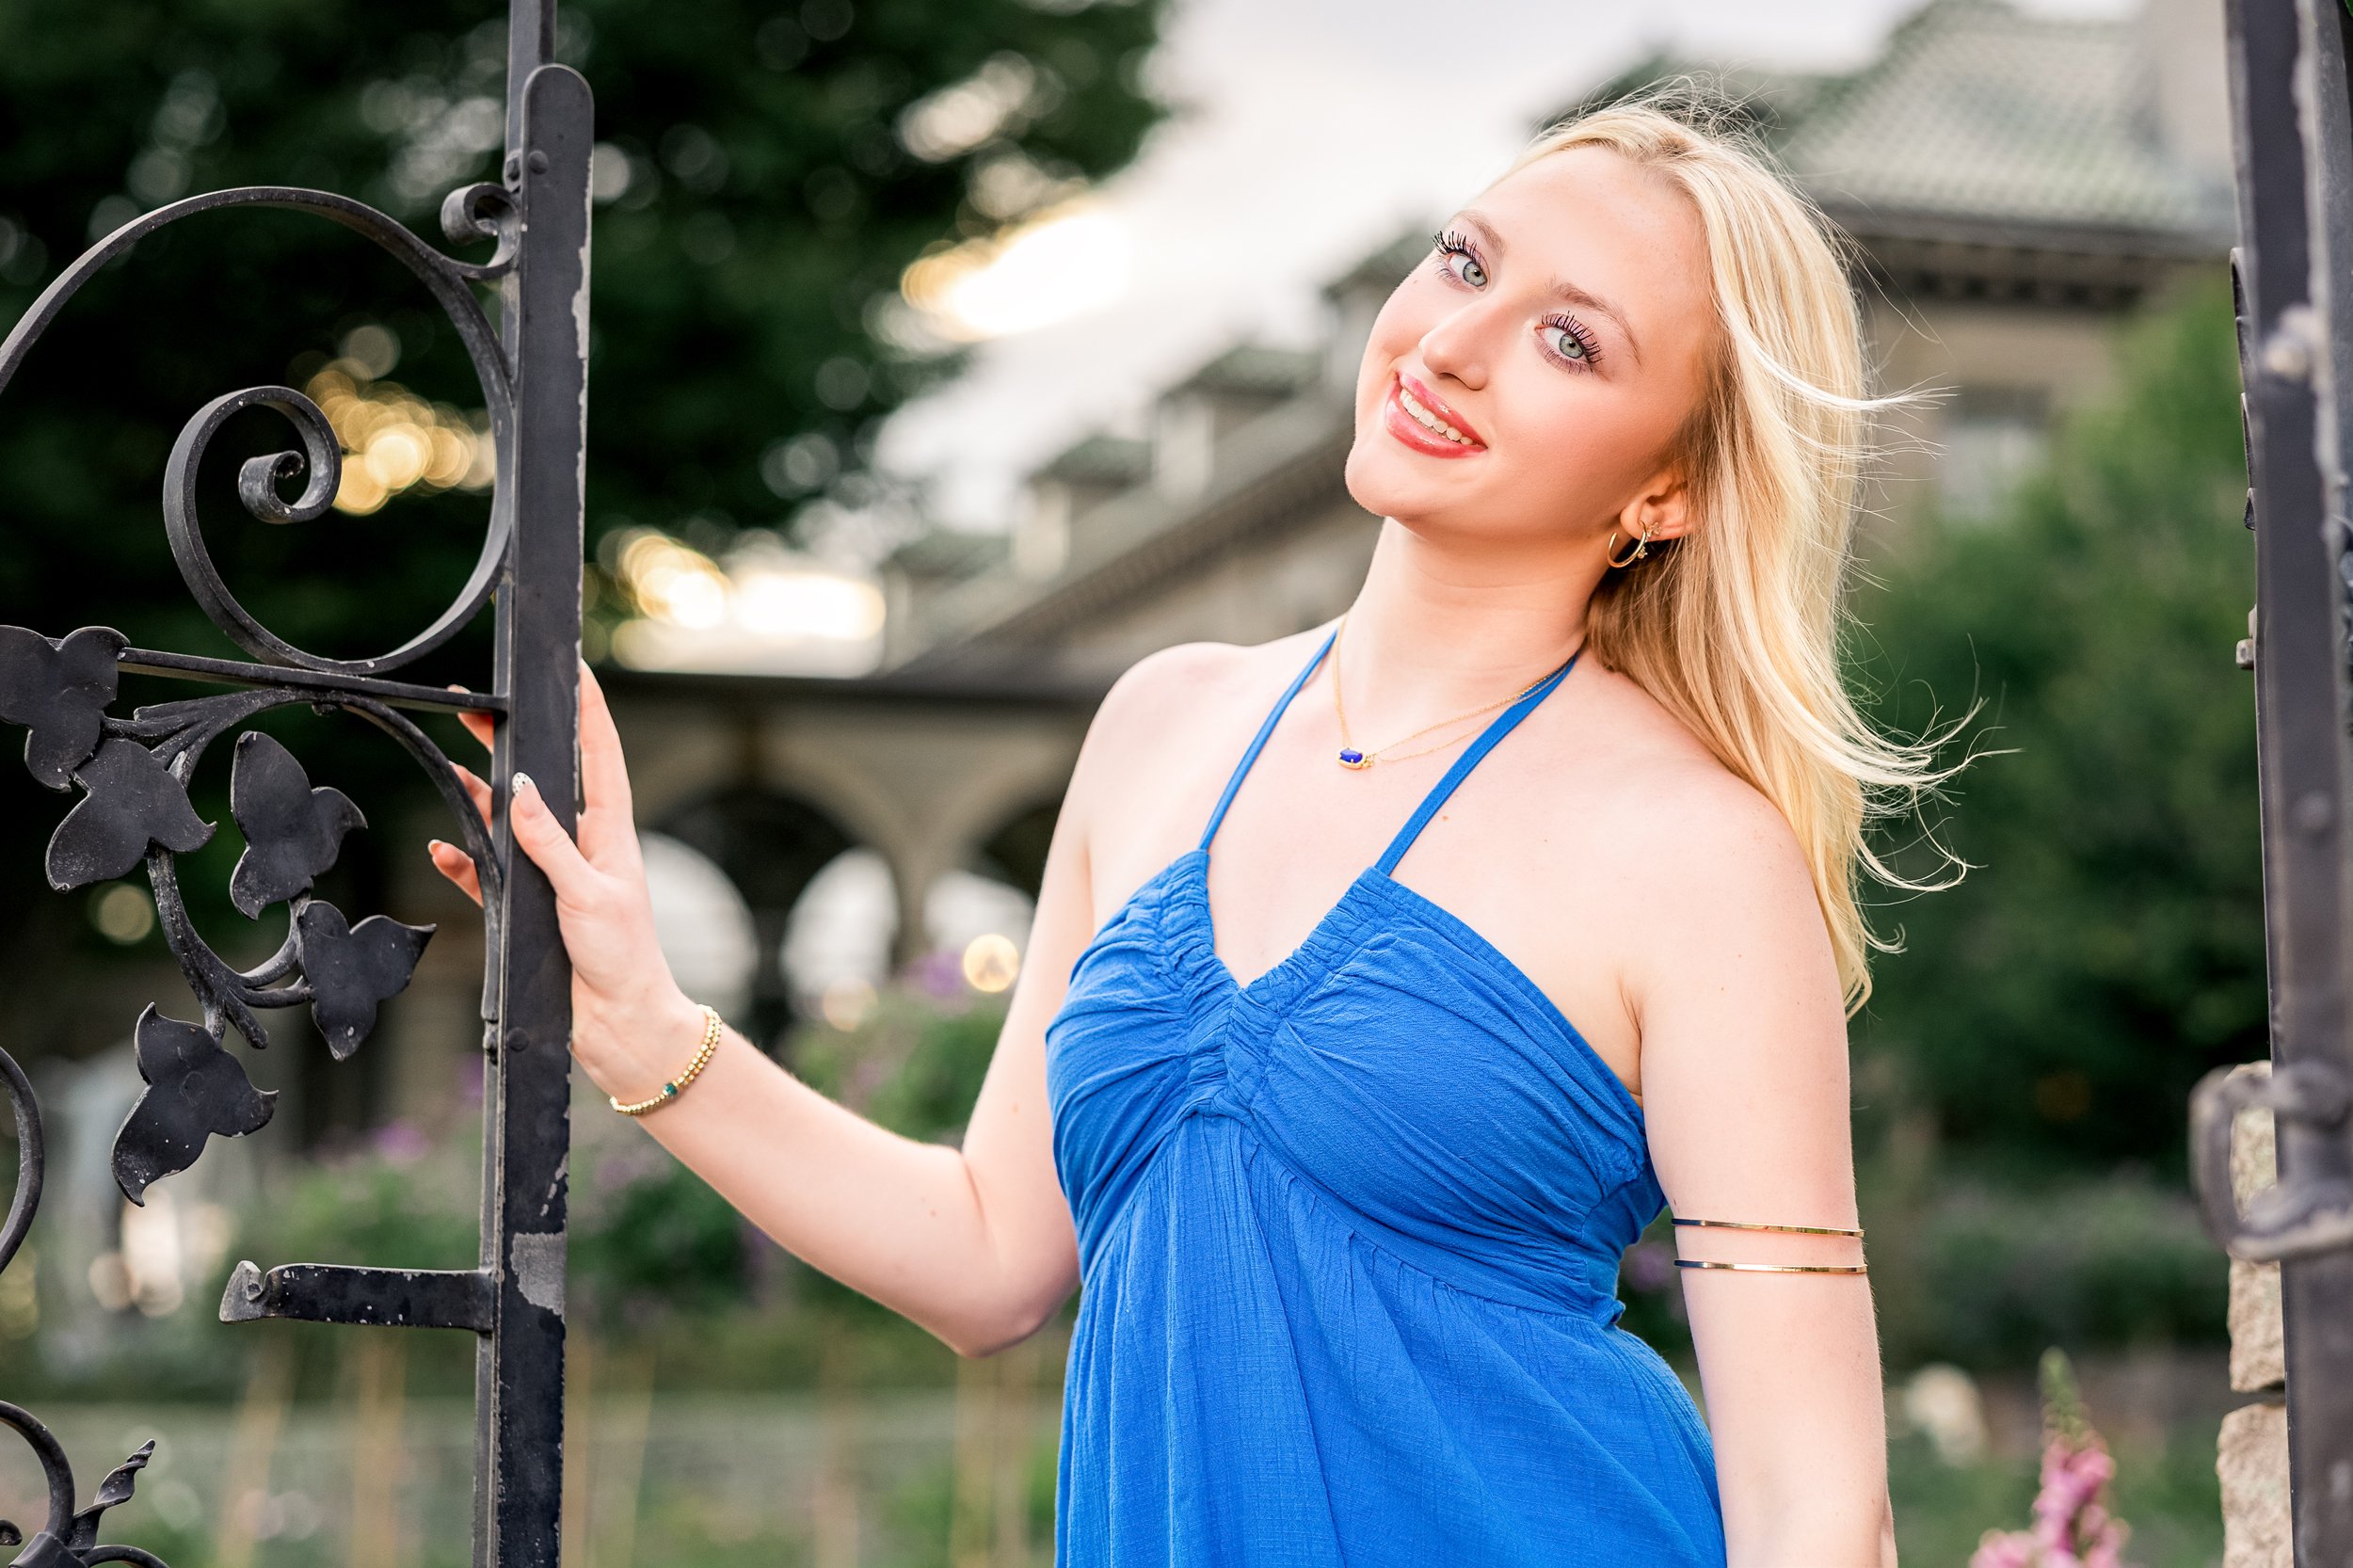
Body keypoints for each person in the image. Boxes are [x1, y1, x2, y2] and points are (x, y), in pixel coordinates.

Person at [431, 95, 1944, 1566]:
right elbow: (985, 1256)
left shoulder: (1697, 853)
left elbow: (1822, 1514)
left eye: (1570, 340)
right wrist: (639, 1019)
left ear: (1669, 486)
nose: (1454, 345)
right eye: (1467, 262)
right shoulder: (1162, 726)